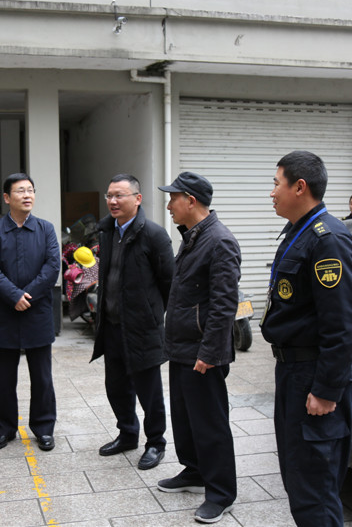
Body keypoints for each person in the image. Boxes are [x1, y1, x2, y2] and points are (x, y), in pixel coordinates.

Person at [261, 150, 352, 527]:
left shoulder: (327, 239)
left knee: (314, 492)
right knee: (298, 478)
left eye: (276, 183)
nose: (272, 192)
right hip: (293, 371)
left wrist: (326, 390)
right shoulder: (299, 231)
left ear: (299, 187)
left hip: (312, 374)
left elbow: (342, 323)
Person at [155, 172, 241, 524]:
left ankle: (221, 492)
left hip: (202, 352)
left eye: (173, 198)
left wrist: (209, 352)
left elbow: (224, 305)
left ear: (191, 201)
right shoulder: (192, 237)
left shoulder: (219, 241)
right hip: (181, 347)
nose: (168, 205)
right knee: (185, 418)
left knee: (210, 423)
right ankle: (194, 471)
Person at [90, 174, 174, 471]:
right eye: (109, 196)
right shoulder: (106, 231)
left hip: (142, 329)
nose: (112, 201)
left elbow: (169, 283)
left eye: (119, 195)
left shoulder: (154, 235)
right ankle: (127, 434)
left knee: (149, 391)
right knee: (116, 387)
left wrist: (151, 316)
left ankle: (156, 443)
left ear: (138, 199)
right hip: (112, 326)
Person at [0, 173, 60, 452]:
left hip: (38, 312)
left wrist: (28, 296)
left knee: (42, 377)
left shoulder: (45, 229)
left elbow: (52, 267)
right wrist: (14, 296)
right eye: (20, 191)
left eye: (30, 190)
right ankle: (4, 429)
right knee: (5, 378)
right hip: (6, 313)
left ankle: (44, 428)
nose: (27, 195)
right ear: (6, 198)